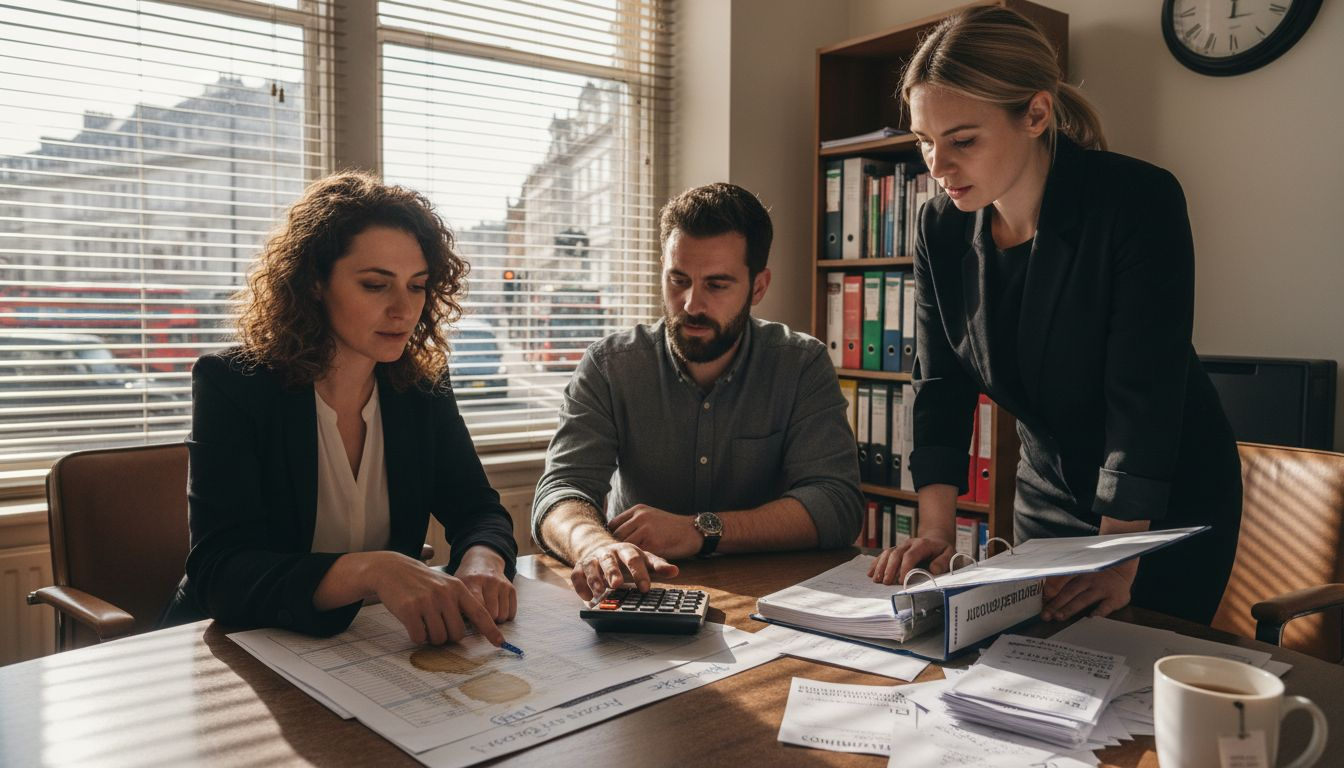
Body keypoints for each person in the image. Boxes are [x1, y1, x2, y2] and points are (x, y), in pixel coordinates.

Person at [868, 6, 1241, 626]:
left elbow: (1144, 396)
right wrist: (934, 529)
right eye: (924, 140)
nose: (937, 166)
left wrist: (1119, 557)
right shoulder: (939, 226)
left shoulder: (1137, 201)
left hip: (1158, 505)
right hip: (1046, 493)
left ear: (1036, 114)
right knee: (1030, 664)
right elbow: (938, 381)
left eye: (962, 140)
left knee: (1135, 671)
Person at [162, 172, 518, 647]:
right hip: (239, 644)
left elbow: (477, 509)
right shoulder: (235, 384)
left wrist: (483, 560)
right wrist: (372, 570)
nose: (404, 310)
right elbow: (220, 574)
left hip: (370, 643)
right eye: (375, 285)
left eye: (417, 286)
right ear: (314, 282)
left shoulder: (422, 386)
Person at [532, 182, 863, 601]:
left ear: (758, 287)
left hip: (769, 599)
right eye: (678, 279)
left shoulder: (800, 365)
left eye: (717, 285)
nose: (690, 304)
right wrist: (594, 545)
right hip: (639, 594)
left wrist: (700, 530)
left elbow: (837, 504)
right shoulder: (610, 366)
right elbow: (561, 491)